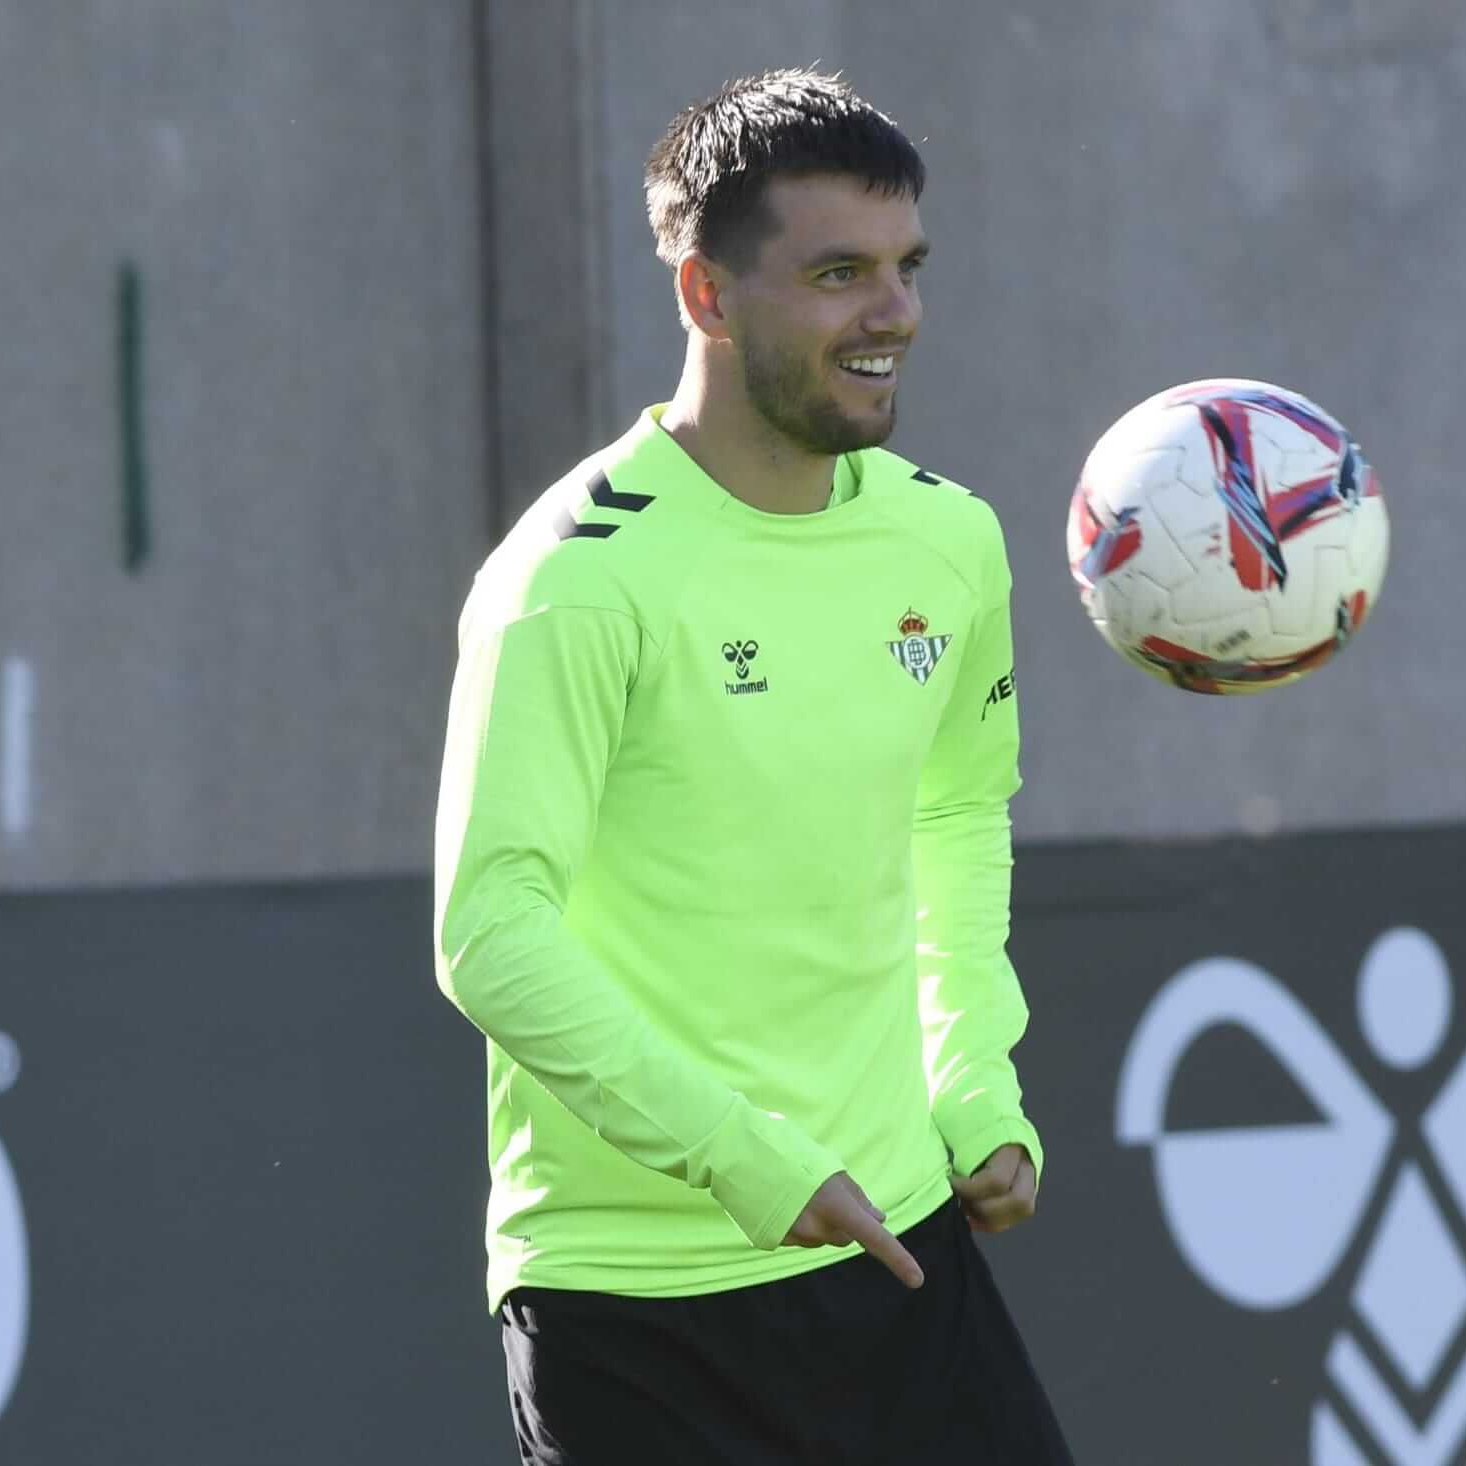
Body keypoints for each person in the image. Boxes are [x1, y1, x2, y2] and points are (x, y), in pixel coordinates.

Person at [432, 67, 1074, 1465]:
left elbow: (954, 810)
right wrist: (751, 1160)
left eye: (906, 268)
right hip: (636, 1303)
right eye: (839, 272)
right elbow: (489, 933)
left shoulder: (948, 542)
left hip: (900, 1252)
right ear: (705, 295)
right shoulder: (570, 583)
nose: (892, 312)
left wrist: (969, 1082)